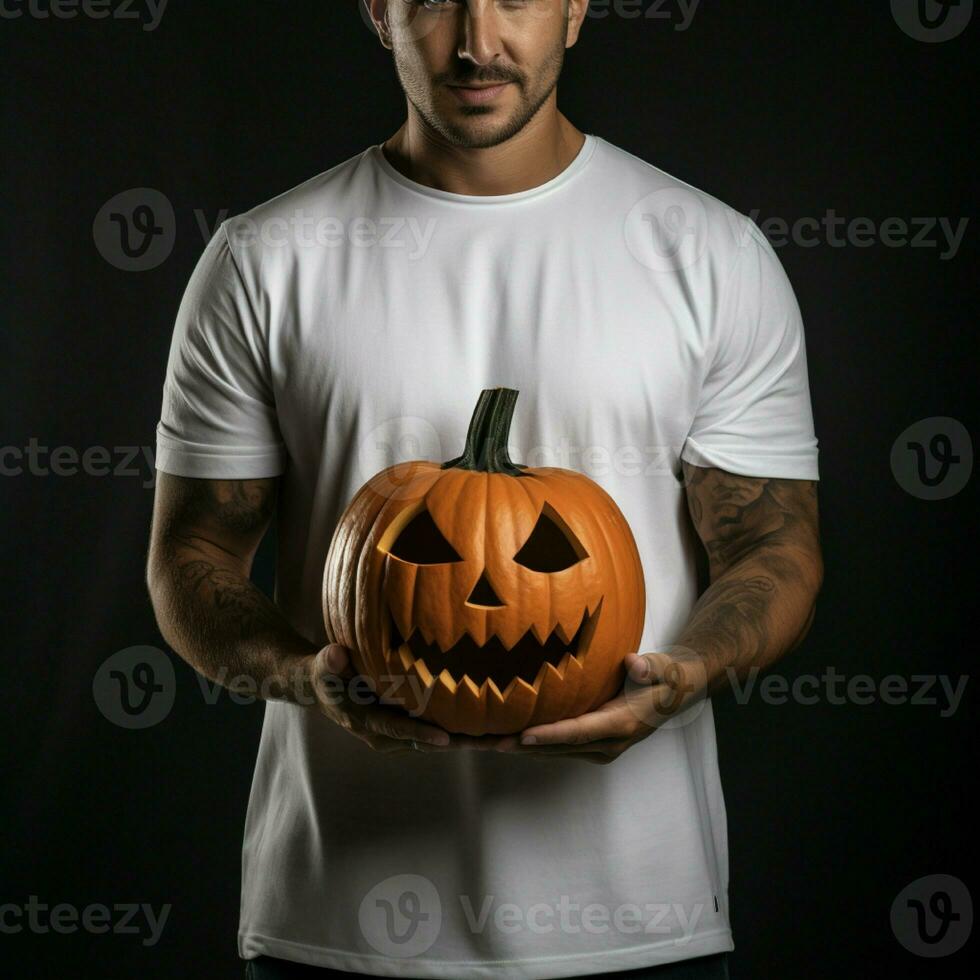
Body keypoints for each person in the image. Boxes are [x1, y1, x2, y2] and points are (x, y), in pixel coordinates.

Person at [146, 1, 824, 978]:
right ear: (379, 11)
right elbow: (190, 556)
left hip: (638, 927)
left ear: (575, 9)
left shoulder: (706, 253)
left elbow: (775, 550)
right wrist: (306, 679)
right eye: (433, 1)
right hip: (335, 928)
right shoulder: (264, 259)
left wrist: (686, 676)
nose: (474, 40)